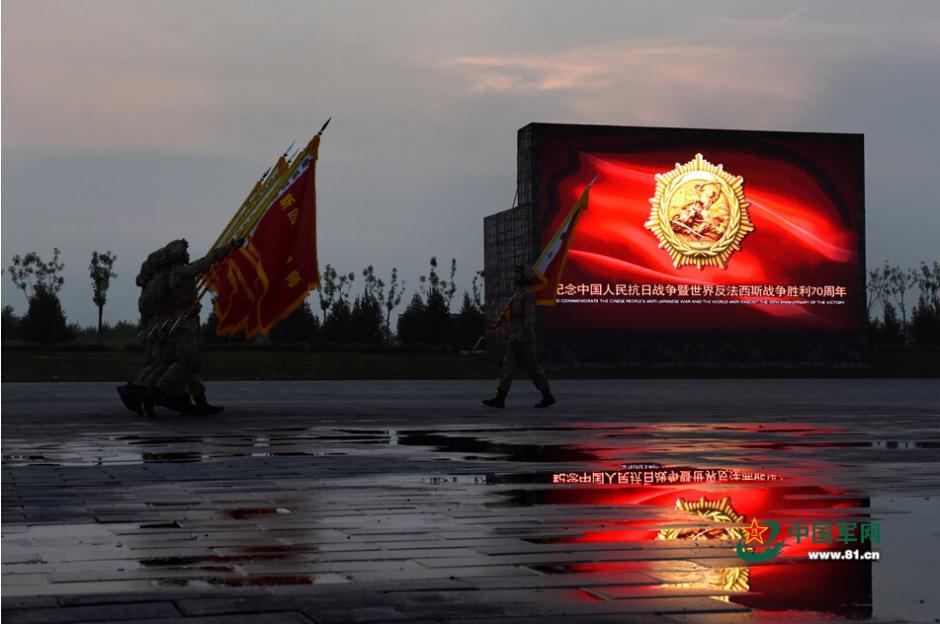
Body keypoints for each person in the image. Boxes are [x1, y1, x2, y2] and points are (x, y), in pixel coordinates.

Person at [151, 238, 243, 415]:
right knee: (187, 363)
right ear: (178, 254)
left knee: (191, 364)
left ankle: (200, 400)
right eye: (184, 251)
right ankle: (157, 392)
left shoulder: (174, 273)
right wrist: (231, 247)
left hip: (185, 320)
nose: (187, 254)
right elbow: (207, 261)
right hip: (184, 323)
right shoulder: (180, 272)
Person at [482, 265, 555, 408]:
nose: (515, 277)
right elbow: (505, 313)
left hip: (524, 337)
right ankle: (500, 398)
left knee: (532, 368)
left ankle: (547, 395)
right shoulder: (516, 295)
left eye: (518, 274)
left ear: (525, 277)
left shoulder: (528, 294)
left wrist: (525, 336)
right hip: (514, 336)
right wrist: (492, 328)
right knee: (507, 367)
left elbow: (529, 319)